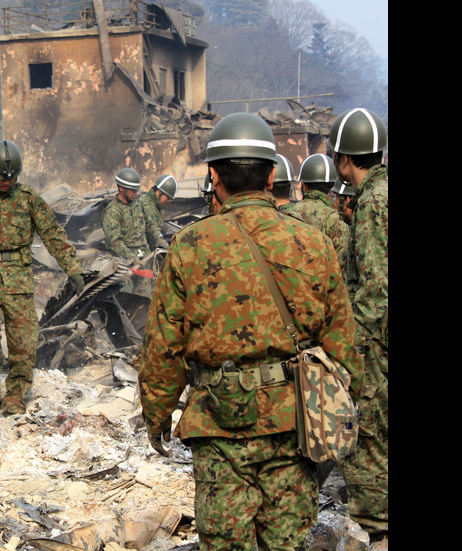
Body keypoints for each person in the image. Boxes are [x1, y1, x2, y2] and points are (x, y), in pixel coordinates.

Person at [135, 112, 362, 550]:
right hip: (293, 424)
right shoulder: (313, 243)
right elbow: (343, 344)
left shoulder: (189, 246)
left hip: (219, 425)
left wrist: (157, 413)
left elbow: (163, 346)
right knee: (287, 541)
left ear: (214, 176)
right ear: (272, 174)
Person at [0, 140, 83, 415]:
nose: (7, 181)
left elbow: (53, 235)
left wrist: (72, 268)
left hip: (19, 277)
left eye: (12, 176)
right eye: (2, 176)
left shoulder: (29, 199)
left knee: (23, 339)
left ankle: (15, 394)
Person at [327, 107, 388, 546]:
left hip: (377, 344)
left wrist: (354, 350)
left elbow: (375, 290)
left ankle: (376, 527)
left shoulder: (370, 204)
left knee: (366, 436)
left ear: (347, 160)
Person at [282, 153, 351, 267]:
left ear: (304, 186)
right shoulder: (336, 220)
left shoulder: (286, 213)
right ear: (332, 187)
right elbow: (340, 266)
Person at [101, 167, 156, 298]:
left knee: (144, 299)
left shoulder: (138, 205)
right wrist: (132, 257)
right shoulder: (112, 213)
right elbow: (115, 243)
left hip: (143, 262)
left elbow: (149, 225)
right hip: (124, 267)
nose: (135, 193)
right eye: (132, 190)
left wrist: (157, 238)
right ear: (121, 188)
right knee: (126, 300)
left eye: (136, 189)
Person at [135, 173, 177, 252]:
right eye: (168, 197)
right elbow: (154, 231)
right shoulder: (146, 205)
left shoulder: (155, 205)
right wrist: (167, 248)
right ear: (158, 192)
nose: (168, 201)